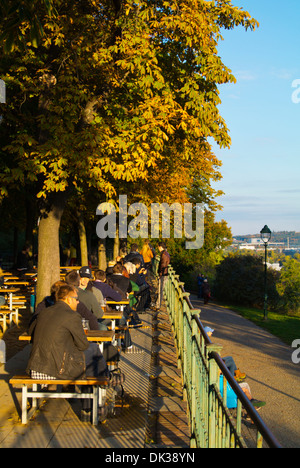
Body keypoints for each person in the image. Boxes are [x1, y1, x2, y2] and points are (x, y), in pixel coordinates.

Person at [156, 242, 170, 309]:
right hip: (165, 273)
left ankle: (158, 306)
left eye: (158, 247)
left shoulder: (164, 254)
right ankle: (157, 304)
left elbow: (163, 265)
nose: (158, 248)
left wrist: (160, 274)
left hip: (163, 274)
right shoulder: (166, 253)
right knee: (160, 290)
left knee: (160, 290)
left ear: (160, 247)